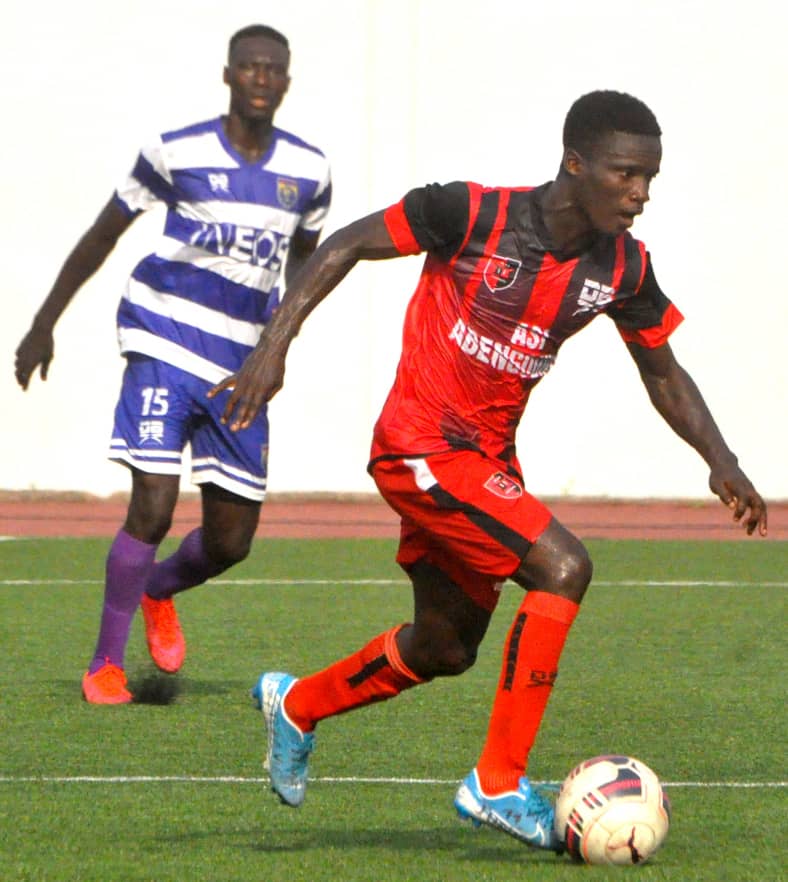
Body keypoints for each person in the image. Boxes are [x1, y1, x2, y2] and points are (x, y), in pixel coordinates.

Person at [209, 90, 767, 850]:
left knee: (444, 648)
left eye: (649, 179)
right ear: (576, 163)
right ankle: (497, 782)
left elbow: (662, 370)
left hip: (486, 462)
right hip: (419, 444)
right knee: (564, 567)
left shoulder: (625, 267)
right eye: (626, 175)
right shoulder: (469, 213)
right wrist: (271, 350)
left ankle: (298, 704)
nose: (640, 194)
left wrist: (721, 459)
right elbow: (343, 243)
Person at [14, 24, 332, 704]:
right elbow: (103, 234)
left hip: (240, 364)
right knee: (153, 506)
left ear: (286, 81)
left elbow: (306, 266)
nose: (261, 78)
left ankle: (157, 588)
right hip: (161, 338)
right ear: (228, 74)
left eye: (272, 69)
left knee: (231, 542)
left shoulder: (310, 171)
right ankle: (106, 664)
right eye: (249, 66)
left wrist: (279, 346)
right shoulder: (175, 151)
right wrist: (44, 322)